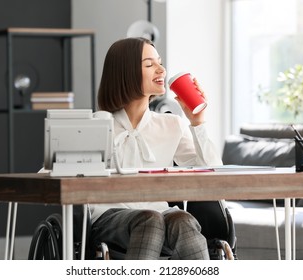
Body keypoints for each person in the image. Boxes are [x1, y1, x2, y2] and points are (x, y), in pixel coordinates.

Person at [89, 37, 223, 260]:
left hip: (159, 214)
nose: (161, 69)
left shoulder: (172, 124)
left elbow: (212, 172)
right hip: (108, 217)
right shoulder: (96, 124)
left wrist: (197, 122)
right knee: (149, 219)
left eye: (160, 62)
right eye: (150, 65)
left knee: (183, 220)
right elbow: (51, 173)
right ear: (125, 72)